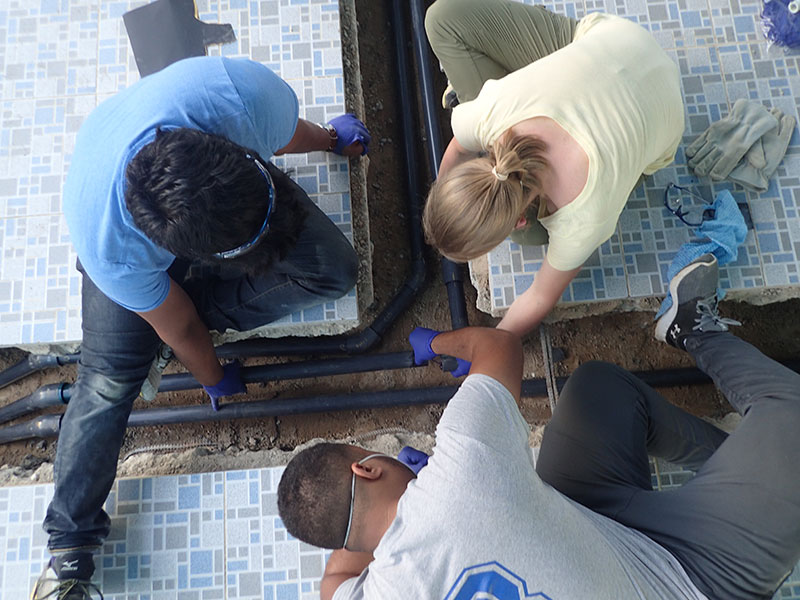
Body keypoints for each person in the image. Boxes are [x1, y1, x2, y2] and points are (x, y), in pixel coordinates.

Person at [32, 56, 370, 600]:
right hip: (121, 242)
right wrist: (211, 375)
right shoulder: (112, 249)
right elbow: (184, 324)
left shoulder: (240, 96)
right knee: (109, 378)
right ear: (192, 256)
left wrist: (330, 138)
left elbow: (280, 134)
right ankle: (69, 554)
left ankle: (169, 313)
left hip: (198, 204)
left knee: (334, 269)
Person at [277, 254, 800, 600]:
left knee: (598, 394)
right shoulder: (459, 472)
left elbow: (336, 583)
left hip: (600, 540)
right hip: (699, 581)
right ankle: (698, 333)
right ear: (367, 469)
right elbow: (498, 346)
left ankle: (743, 473)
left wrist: (365, 526)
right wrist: (436, 345)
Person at [422, 0, 685, 337]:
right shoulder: (491, 113)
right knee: (442, 18)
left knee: (530, 235)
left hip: (665, 114)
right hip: (617, 41)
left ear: (519, 215)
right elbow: (459, 145)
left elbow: (540, 297)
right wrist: (452, 194)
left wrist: (489, 348)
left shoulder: (581, 219)